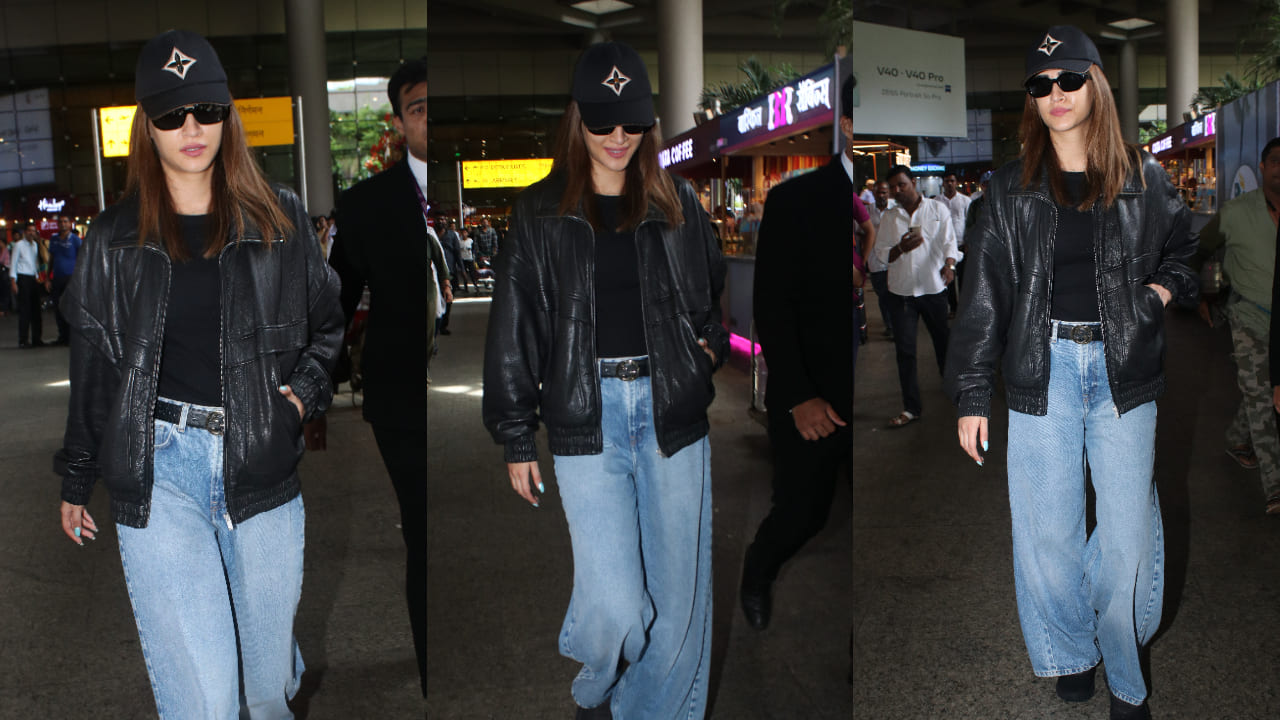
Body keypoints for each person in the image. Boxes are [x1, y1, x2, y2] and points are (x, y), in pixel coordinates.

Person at [53, 29, 343, 717]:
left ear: (227, 117)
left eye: (207, 111)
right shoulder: (113, 240)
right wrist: (76, 478)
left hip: (261, 463)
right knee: (208, 701)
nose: (192, 128)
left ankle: (268, 663)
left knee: (264, 694)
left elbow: (328, 328)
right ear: (145, 128)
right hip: (158, 474)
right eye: (171, 114)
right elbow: (92, 365)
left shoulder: (279, 218)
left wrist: (297, 403)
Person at [945, 25, 1196, 720]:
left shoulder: (1142, 178)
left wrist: (1157, 297)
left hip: (1125, 372)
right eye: (1040, 84)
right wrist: (971, 394)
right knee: (1046, 535)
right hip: (1041, 369)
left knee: (1125, 541)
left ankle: (1123, 673)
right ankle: (1073, 652)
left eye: (1068, 79)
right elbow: (984, 297)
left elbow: (1187, 248)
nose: (1054, 94)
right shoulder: (1007, 189)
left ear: (1095, 85)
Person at [482, 41, 728, 720]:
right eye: (602, 123)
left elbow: (711, 301)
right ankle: (601, 672)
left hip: (672, 415)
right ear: (576, 121)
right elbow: (515, 330)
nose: (619, 138)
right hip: (584, 419)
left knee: (679, 601)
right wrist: (514, 436)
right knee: (617, 603)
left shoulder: (678, 204)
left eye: (634, 123)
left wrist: (702, 358)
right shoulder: (539, 214)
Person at [328, 57, 435, 699]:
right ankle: (432, 675)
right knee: (422, 530)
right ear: (399, 122)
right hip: (402, 400)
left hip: (481, 398)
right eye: (419, 107)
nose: (432, 116)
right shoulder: (367, 204)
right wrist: (312, 391)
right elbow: (336, 304)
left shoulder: (480, 185)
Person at [740, 74, 858, 632]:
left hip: (870, 399)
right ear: (850, 126)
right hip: (816, 395)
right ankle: (758, 567)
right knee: (802, 513)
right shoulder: (797, 200)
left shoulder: (874, 207)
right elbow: (773, 308)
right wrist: (798, 395)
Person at [1197, 138, 1280, 515]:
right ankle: (1275, 488)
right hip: (1249, 317)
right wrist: (1204, 293)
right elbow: (1201, 249)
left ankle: (1237, 439)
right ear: (1262, 168)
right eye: (1276, 161)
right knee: (1263, 397)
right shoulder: (1236, 212)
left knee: (1258, 393)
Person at [875, 164, 959, 427]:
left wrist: (950, 265)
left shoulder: (937, 209)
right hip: (902, 294)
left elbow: (950, 242)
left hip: (933, 289)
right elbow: (881, 255)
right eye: (893, 188)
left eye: (902, 184)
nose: (898, 191)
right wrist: (900, 247)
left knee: (943, 345)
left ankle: (955, 393)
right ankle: (911, 407)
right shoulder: (890, 218)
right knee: (905, 352)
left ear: (913, 182)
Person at [867, 180, 896, 339]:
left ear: (889, 193)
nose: (881, 195)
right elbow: (860, 232)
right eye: (878, 192)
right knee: (883, 296)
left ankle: (897, 324)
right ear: (873, 193)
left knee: (896, 295)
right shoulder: (867, 211)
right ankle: (890, 326)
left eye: (884, 192)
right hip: (876, 262)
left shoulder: (896, 209)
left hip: (895, 260)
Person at [48, 213, 83, 345]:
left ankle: (72, 337)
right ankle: (62, 336)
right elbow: (51, 259)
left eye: (65, 221)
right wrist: (47, 278)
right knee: (58, 308)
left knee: (71, 307)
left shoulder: (75, 239)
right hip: (57, 278)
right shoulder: (54, 239)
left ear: (70, 223)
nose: (63, 224)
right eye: (60, 222)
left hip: (71, 278)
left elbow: (81, 258)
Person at [9, 221, 45, 347]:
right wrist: (13, 281)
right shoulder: (18, 245)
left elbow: (35, 262)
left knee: (36, 310)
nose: (31, 233)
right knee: (25, 310)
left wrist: (37, 276)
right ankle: (23, 340)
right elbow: (13, 263)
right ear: (25, 232)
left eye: (33, 231)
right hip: (22, 278)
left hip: (33, 278)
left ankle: (37, 338)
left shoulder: (35, 245)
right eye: (29, 230)